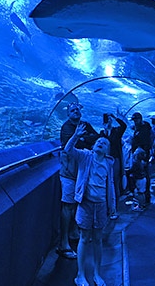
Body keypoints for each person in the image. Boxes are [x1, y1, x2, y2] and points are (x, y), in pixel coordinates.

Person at [63, 123, 117, 286]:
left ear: (107, 150)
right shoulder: (85, 157)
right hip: (86, 204)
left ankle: (97, 274)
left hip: (100, 206)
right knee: (85, 238)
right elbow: (68, 150)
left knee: (98, 239)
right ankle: (80, 275)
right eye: (99, 141)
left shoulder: (109, 163)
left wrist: (112, 204)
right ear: (93, 146)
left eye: (105, 142)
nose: (101, 142)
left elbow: (111, 184)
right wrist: (76, 135)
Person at [57, 103, 99, 260]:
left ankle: (74, 232)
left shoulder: (85, 124)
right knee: (67, 206)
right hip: (68, 173)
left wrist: (83, 138)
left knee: (77, 203)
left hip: (81, 173)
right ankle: (63, 243)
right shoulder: (66, 127)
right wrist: (82, 138)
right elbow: (70, 146)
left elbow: (95, 137)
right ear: (68, 114)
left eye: (78, 109)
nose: (76, 112)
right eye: (72, 110)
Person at [100, 112, 127, 204]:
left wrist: (115, 117)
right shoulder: (102, 133)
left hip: (115, 160)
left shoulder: (116, 131)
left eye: (110, 120)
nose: (109, 122)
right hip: (104, 160)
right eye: (107, 121)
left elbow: (124, 125)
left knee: (115, 181)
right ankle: (107, 204)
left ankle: (115, 205)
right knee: (106, 181)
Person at [130, 112, 152, 205]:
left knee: (142, 176)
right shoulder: (141, 127)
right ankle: (143, 198)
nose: (135, 122)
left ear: (140, 119)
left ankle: (144, 199)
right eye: (134, 120)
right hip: (139, 156)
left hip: (142, 156)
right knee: (141, 176)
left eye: (136, 120)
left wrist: (144, 158)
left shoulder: (144, 129)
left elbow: (144, 143)